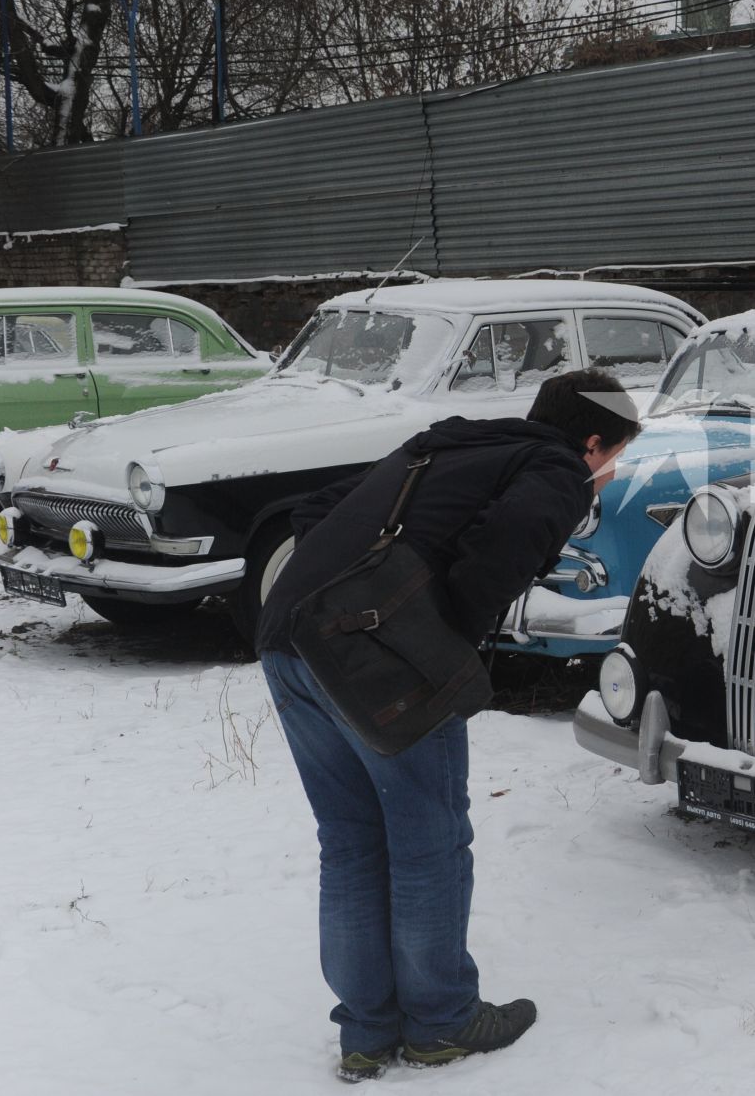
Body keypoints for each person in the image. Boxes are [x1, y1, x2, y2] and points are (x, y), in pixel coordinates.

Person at [257, 368, 636, 1083]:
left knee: (350, 838)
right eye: (612, 458)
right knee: (428, 839)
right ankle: (441, 1021)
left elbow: (318, 510)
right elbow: (505, 546)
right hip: (379, 662)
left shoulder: (452, 443)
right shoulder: (558, 471)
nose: (609, 472)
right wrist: (439, 643)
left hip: (288, 637)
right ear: (591, 442)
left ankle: (368, 1031)